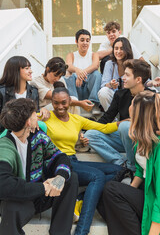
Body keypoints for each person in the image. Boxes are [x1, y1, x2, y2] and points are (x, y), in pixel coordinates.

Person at [40, 86, 123, 235]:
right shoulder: (45, 118)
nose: (60, 107)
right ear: (51, 102)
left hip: (73, 161)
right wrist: (40, 113)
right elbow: (25, 117)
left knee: (119, 170)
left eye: (64, 102)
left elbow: (103, 128)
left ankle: (80, 199)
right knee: (97, 176)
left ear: (70, 101)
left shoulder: (76, 119)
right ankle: (82, 231)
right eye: (56, 103)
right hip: (56, 163)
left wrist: (122, 123)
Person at [0, 98, 78, 235]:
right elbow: (4, 185)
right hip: (17, 199)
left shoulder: (37, 136)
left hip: (39, 196)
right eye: (34, 113)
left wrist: (59, 177)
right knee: (10, 207)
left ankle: (59, 232)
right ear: (28, 122)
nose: (38, 115)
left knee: (71, 178)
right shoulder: (5, 146)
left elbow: (60, 157)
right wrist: (44, 187)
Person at [100, 91, 160, 235]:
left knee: (112, 189)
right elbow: (140, 170)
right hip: (145, 189)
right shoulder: (142, 137)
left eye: (132, 103)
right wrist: (129, 192)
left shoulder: (158, 145)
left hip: (155, 196)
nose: (129, 106)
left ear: (139, 113)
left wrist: (154, 229)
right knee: (103, 200)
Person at [84, 59, 153, 171]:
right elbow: (106, 118)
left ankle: (132, 167)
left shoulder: (151, 97)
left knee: (125, 126)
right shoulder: (120, 94)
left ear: (138, 79)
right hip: (124, 138)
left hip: (143, 141)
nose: (122, 78)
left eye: (127, 75)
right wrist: (85, 130)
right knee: (90, 135)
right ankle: (121, 163)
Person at [0, 56, 49, 133]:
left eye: (30, 68)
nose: (31, 71)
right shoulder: (1, 92)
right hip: (6, 132)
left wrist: (41, 110)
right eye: (27, 68)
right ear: (15, 71)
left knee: (42, 125)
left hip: (27, 132)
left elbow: (34, 114)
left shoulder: (34, 91)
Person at [64, 29, 102, 115]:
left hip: (89, 89)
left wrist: (80, 74)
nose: (85, 43)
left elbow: (95, 65)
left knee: (96, 74)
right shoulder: (71, 55)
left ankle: (94, 104)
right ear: (76, 41)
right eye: (82, 40)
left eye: (87, 40)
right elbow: (68, 66)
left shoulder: (94, 55)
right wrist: (77, 71)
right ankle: (74, 103)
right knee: (68, 76)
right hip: (77, 89)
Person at [98, 37, 133, 111]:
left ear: (127, 50)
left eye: (121, 48)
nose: (118, 51)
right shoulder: (109, 64)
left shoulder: (133, 64)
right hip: (114, 96)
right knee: (103, 92)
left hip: (129, 97)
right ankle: (113, 119)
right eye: (116, 48)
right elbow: (104, 84)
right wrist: (111, 84)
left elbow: (144, 81)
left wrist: (152, 82)